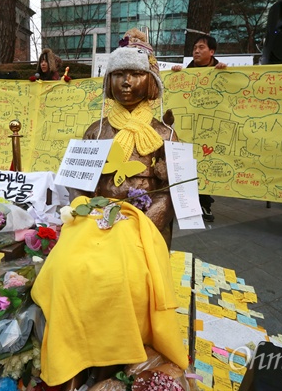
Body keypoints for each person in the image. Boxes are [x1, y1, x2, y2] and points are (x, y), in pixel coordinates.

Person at [32, 28, 188, 390]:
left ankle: (116, 354)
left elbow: (171, 193)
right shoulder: (96, 130)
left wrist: (143, 225)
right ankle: (71, 351)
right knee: (67, 270)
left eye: (134, 74)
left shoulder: (164, 135)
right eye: (118, 75)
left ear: (151, 82)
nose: (126, 82)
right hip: (96, 218)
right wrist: (84, 213)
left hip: (141, 225)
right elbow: (79, 185)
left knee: (122, 279)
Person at [172, 34, 227, 221]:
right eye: (195, 47)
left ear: (212, 52)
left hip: (211, 130)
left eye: (201, 47)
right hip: (189, 129)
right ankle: (185, 203)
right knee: (188, 165)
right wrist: (175, 75)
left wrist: (224, 72)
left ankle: (204, 204)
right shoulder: (186, 73)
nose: (196, 50)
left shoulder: (222, 72)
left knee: (207, 166)